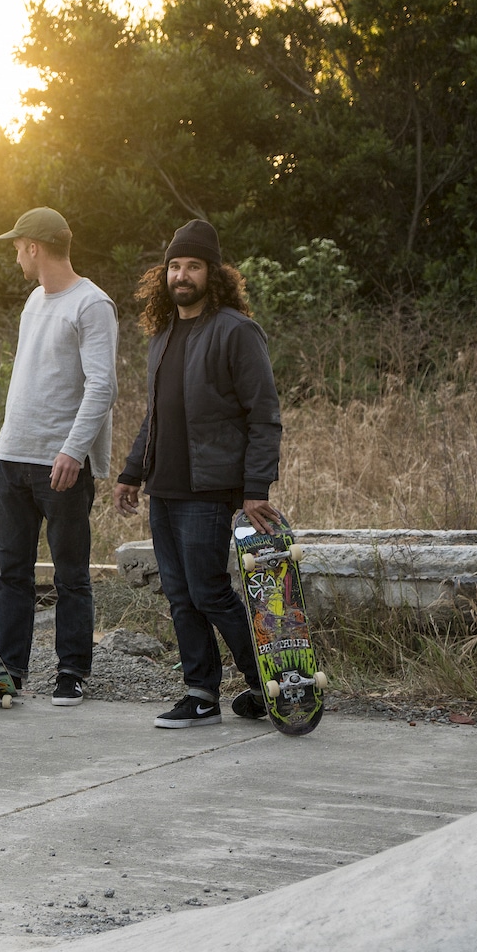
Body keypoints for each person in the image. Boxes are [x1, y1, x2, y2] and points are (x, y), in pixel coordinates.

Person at [112, 219, 283, 727]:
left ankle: (269, 683)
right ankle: (201, 694)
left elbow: (263, 414)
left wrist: (256, 488)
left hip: (209, 489)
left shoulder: (236, 331)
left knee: (209, 591)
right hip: (164, 486)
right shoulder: (162, 337)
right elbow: (155, 414)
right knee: (180, 593)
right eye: (174, 266)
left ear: (213, 273)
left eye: (192, 266)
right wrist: (130, 472)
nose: (182, 275)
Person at [0, 208, 118, 706]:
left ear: (34, 247)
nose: (16, 256)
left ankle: (71, 672)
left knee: (70, 573)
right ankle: (9, 672)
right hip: (16, 457)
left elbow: (102, 387)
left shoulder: (91, 305)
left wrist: (73, 450)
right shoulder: (33, 300)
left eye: (17, 247)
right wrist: (5, 437)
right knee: (12, 572)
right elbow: (26, 375)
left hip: (60, 464)